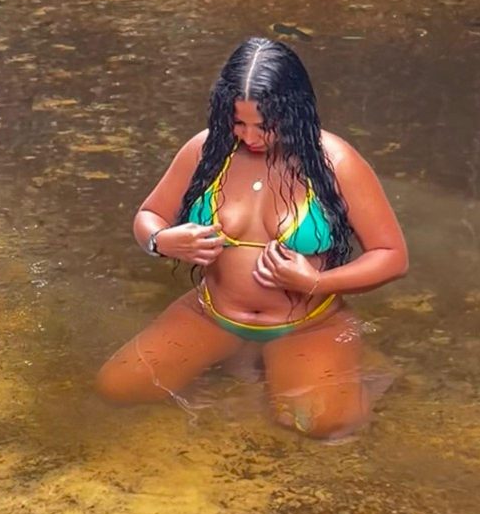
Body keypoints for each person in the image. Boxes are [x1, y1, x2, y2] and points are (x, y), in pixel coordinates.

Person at [96, 37, 408, 438]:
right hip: (212, 314)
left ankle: (354, 370)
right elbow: (148, 216)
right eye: (238, 122)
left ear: (294, 111)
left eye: (264, 125)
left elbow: (392, 256)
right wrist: (161, 241)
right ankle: (238, 361)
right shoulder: (207, 150)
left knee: (322, 423)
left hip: (306, 324)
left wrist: (316, 281)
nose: (250, 137)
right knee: (118, 388)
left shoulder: (336, 162)